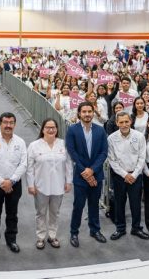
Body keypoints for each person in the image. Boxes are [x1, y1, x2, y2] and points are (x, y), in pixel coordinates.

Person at [0, 112, 27, 253]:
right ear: (0, 124)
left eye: (11, 122)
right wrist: (2, 182)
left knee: (12, 214)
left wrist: (12, 180)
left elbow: (23, 164)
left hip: (15, 185)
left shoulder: (20, 142)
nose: (8, 125)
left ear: (14, 124)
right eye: (5, 122)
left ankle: (11, 240)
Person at [66, 101, 108, 247]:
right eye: (84, 111)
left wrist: (92, 170)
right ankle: (74, 232)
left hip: (96, 174)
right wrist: (85, 171)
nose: (87, 114)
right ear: (79, 113)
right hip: (80, 174)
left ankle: (95, 230)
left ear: (93, 112)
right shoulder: (72, 130)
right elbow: (72, 152)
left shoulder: (100, 130)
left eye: (89, 111)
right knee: (78, 205)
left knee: (94, 204)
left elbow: (104, 152)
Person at [26, 118, 72, 249]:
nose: (51, 130)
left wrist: (69, 181)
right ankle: (40, 237)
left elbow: (69, 164)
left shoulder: (63, 144)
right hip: (41, 186)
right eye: (48, 127)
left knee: (55, 212)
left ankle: (52, 235)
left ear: (57, 129)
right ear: (43, 129)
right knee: (41, 212)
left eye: (53, 127)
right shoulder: (34, 145)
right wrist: (30, 184)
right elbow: (29, 167)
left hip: (59, 185)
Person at [107, 112, 149, 241]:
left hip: (136, 176)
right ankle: (120, 228)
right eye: (121, 122)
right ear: (117, 123)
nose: (124, 124)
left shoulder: (139, 136)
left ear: (130, 121)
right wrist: (125, 175)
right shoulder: (111, 138)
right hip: (120, 176)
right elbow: (112, 160)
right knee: (119, 203)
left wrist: (134, 174)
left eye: (126, 121)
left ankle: (136, 228)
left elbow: (142, 157)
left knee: (135, 203)